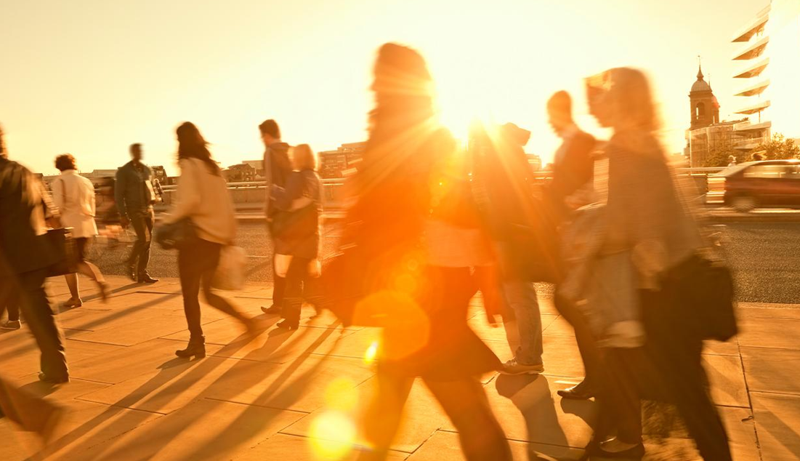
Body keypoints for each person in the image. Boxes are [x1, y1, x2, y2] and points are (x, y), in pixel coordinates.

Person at [352, 43, 511, 461]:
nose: (373, 83)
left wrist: (489, 276)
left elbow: (459, 208)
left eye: (380, 75)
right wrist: (487, 276)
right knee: (394, 394)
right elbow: (466, 210)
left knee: (460, 408)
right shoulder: (422, 135)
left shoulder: (410, 139)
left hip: (426, 288)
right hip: (423, 284)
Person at [583, 67, 732, 460]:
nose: (601, 102)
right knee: (644, 379)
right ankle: (597, 445)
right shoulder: (648, 140)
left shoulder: (624, 144)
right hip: (678, 281)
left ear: (622, 99)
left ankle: (594, 448)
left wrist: (587, 238)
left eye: (609, 94)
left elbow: (628, 225)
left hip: (664, 290)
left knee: (681, 394)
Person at [163, 122, 257, 358]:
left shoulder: (188, 165)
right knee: (209, 293)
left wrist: (166, 221)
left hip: (196, 239)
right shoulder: (213, 168)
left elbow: (188, 201)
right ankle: (246, 321)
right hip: (215, 240)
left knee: (190, 295)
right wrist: (228, 236)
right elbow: (226, 206)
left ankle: (197, 342)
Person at [470, 122, 545, 375]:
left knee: (520, 296)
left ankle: (530, 356)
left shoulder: (497, 157)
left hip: (508, 235)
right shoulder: (509, 154)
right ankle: (526, 353)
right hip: (510, 233)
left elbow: (496, 201)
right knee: (517, 296)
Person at [0, 124, 69, 384]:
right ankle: (56, 369)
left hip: (4, 260)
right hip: (33, 256)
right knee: (41, 316)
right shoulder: (24, 172)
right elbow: (51, 215)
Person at [545, 91, 603, 400]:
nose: (548, 123)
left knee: (570, 303)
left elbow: (590, 185)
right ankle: (598, 374)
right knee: (572, 304)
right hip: (569, 234)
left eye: (550, 115)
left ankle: (600, 375)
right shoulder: (568, 144)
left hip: (581, 236)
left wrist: (568, 202)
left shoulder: (582, 141)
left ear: (561, 112)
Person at [270, 144, 322, 330]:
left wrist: (275, 191)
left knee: (293, 279)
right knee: (306, 277)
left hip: (297, 238)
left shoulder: (297, 177)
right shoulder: (315, 177)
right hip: (312, 236)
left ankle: (292, 319)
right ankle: (322, 303)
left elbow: (287, 202)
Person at [51, 154, 110, 307]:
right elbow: (92, 204)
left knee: (75, 262)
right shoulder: (86, 181)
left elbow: (58, 207)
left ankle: (99, 281)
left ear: (59, 167)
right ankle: (75, 298)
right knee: (70, 263)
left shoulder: (59, 181)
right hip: (87, 225)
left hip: (69, 227)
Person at [258, 120, 292, 316]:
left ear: (267, 135)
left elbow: (272, 185)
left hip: (279, 213)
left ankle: (279, 302)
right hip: (293, 212)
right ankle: (297, 297)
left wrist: (269, 213)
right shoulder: (289, 150)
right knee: (292, 257)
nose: (262, 140)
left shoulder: (271, 152)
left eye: (262, 136)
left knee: (279, 258)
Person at [115, 143, 158, 284]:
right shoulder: (124, 171)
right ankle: (131, 262)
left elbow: (153, 186)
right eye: (136, 150)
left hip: (149, 209)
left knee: (148, 241)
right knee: (143, 238)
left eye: (140, 150)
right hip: (135, 210)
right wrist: (122, 214)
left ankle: (142, 272)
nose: (139, 152)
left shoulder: (147, 169)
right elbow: (119, 194)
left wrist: (155, 196)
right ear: (132, 152)